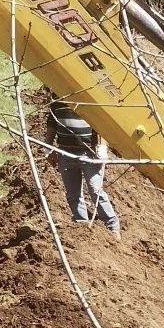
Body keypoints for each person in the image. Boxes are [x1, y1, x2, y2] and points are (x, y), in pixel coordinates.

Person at [46, 97, 120, 233]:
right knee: (73, 194)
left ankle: (112, 225)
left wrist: (102, 147)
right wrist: (48, 148)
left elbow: (102, 124)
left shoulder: (89, 100)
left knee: (95, 191)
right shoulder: (57, 101)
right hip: (65, 153)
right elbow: (51, 125)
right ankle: (81, 226)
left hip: (89, 154)